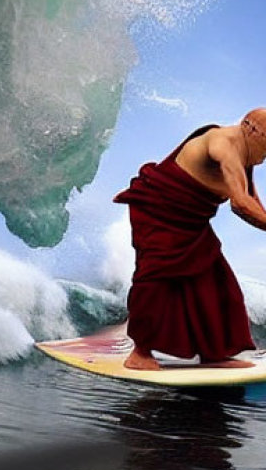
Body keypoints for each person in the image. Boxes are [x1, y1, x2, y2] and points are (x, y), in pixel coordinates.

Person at [113, 109, 266, 370]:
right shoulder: (222, 144)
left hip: (192, 222)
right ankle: (140, 352)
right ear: (251, 129)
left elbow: (252, 203)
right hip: (158, 211)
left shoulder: (246, 155)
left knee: (218, 284)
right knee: (156, 280)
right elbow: (239, 203)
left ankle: (214, 354)